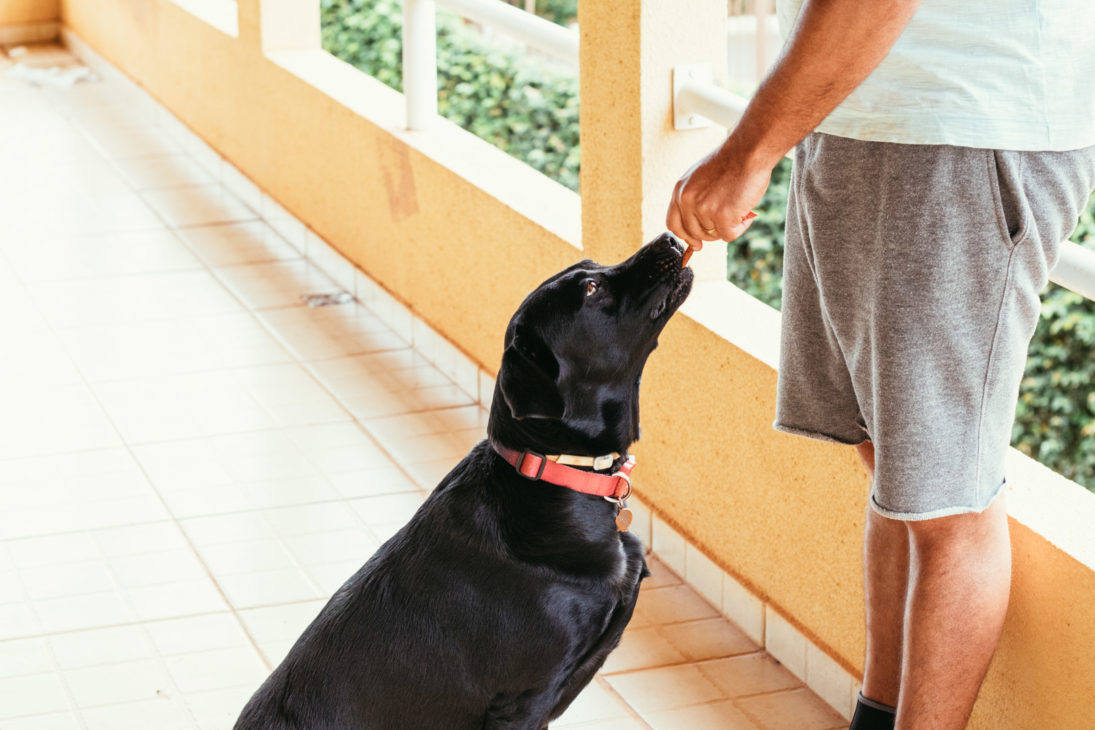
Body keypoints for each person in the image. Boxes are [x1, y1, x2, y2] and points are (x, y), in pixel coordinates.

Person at [665, 1, 1095, 728]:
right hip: (863, 117)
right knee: (895, 469)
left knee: (946, 500)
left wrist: (745, 154)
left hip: (962, 129)